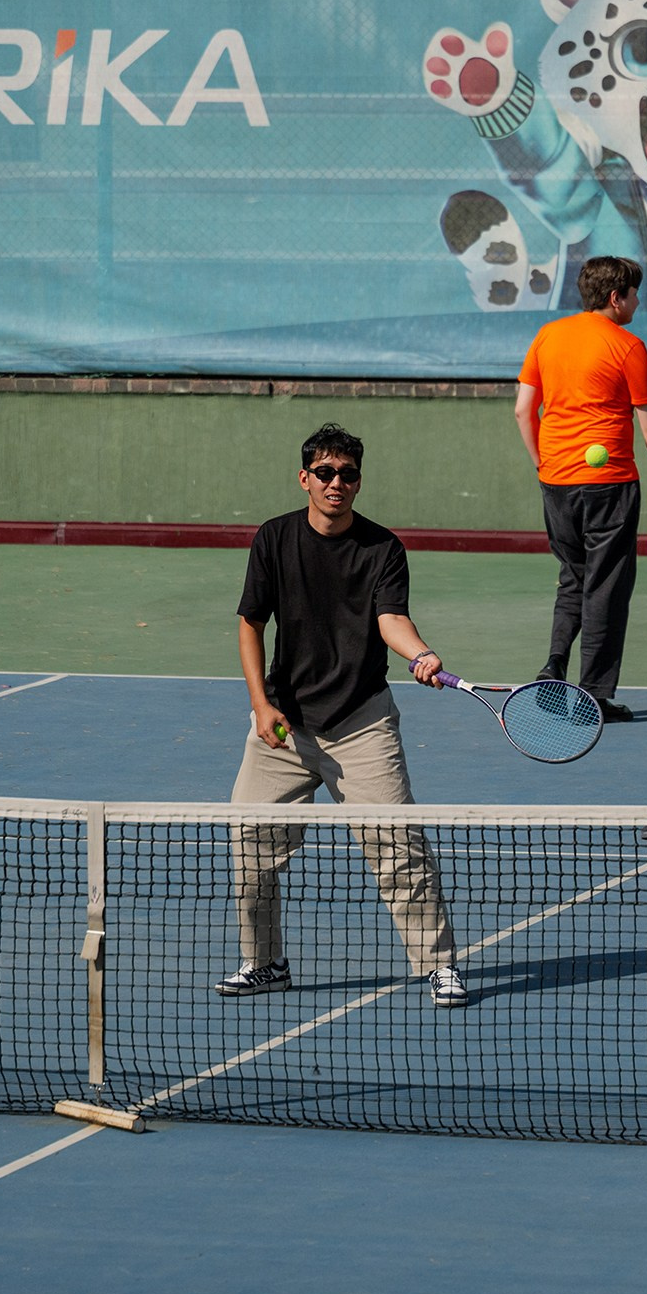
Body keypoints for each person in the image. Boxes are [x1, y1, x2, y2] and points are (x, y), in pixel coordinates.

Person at [226, 424, 468, 1007]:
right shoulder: (274, 539)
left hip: (362, 723)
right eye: (326, 473)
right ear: (305, 478)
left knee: (399, 849)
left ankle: (438, 967)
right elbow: (250, 624)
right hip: (285, 726)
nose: (337, 483)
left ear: (359, 481)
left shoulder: (383, 549)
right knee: (249, 842)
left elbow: (391, 620)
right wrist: (261, 706)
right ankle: (264, 963)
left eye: (348, 474)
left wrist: (421, 653)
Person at [514, 255, 647, 720]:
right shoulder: (628, 346)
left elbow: (524, 411)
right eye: (634, 293)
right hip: (609, 486)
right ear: (615, 297)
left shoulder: (547, 336)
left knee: (574, 579)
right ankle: (594, 697)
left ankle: (554, 664)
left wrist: (544, 463)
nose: (639, 302)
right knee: (606, 589)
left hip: (557, 483)